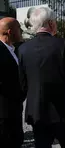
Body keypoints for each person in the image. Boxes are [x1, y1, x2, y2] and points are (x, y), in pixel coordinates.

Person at [18, 7, 65, 148]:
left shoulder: (23, 49)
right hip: (63, 111)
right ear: (51, 23)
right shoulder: (63, 45)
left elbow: (22, 84)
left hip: (37, 112)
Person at [0, 17, 24, 148]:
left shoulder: (13, 50)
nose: (21, 31)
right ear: (10, 32)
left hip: (14, 111)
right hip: (4, 115)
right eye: (19, 28)